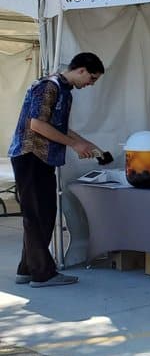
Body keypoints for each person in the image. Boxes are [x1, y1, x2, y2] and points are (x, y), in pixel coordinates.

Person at [8, 52, 105, 287]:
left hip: (43, 159)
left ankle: (27, 269)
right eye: (92, 78)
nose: (91, 84)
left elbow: (59, 127)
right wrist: (74, 145)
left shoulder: (64, 91)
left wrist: (87, 144)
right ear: (81, 70)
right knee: (37, 215)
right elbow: (37, 124)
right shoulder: (48, 86)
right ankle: (43, 274)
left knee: (43, 214)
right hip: (31, 156)